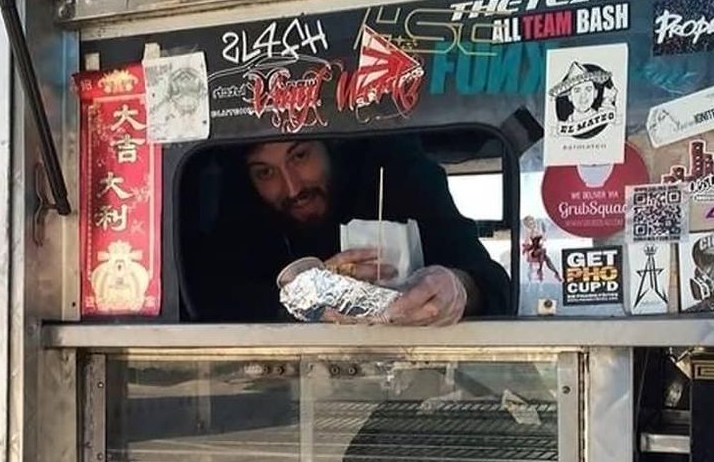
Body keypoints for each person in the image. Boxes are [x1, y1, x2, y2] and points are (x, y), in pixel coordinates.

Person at [188, 135, 510, 324]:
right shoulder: (246, 214)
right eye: (265, 172)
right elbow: (207, 299)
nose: (291, 188)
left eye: (300, 155)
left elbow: (493, 284)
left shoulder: (398, 175)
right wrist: (300, 299)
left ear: (331, 146)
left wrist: (457, 289)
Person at [549, 61, 618, 140]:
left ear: (595, 93)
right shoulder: (566, 123)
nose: (583, 96)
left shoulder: (605, 111)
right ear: (570, 97)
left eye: (588, 89)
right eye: (577, 90)